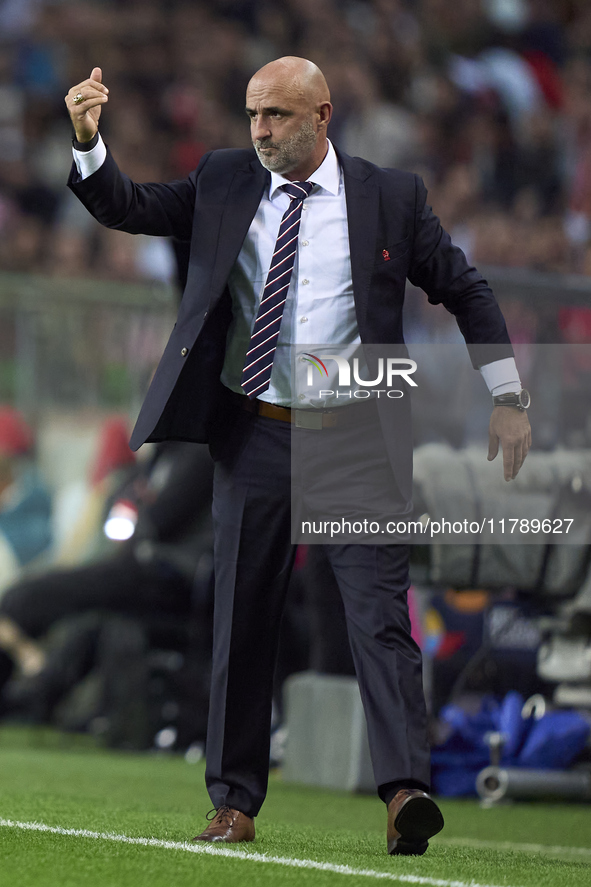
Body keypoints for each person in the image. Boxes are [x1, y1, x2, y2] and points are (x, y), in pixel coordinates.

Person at [64, 57, 531, 855]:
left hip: (354, 427)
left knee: (378, 619)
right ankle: (233, 802)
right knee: (241, 616)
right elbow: (130, 206)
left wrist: (508, 394)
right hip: (254, 429)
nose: (259, 131)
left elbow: (465, 288)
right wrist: (86, 142)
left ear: (321, 116)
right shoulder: (223, 179)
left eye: (276, 116)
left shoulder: (391, 197)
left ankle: (404, 792)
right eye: (251, 114)